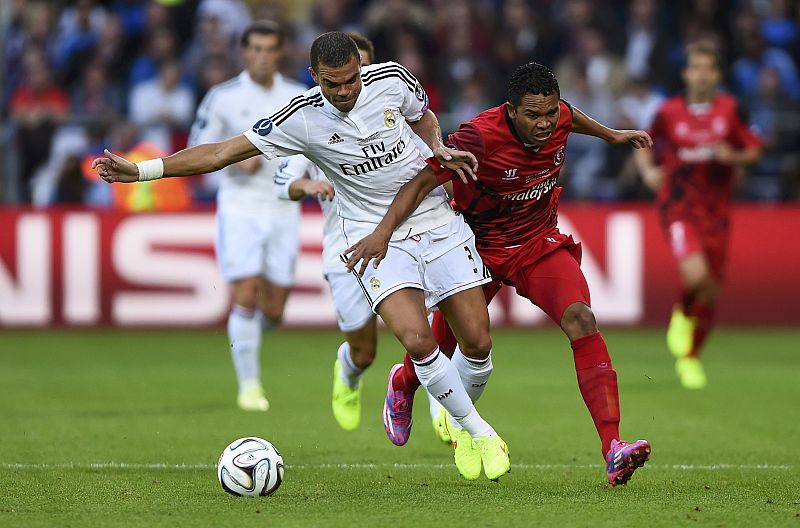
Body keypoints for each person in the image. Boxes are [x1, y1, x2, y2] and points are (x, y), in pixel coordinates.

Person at [92, 31, 510, 481]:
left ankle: (459, 420)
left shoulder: (392, 79)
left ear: (362, 69)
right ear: (314, 76)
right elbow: (220, 152)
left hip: (435, 219)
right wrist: (142, 171)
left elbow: (422, 115)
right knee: (416, 339)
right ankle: (478, 431)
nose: (345, 91)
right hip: (370, 237)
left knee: (477, 342)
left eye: (351, 80)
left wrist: (437, 145)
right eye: (333, 84)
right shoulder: (300, 117)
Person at [345, 61, 652, 486]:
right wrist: (383, 232)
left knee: (582, 318)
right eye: (533, 115)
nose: (545, 123)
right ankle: (403, 383)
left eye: (550, 112)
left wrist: (611, 135)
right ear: (511, 110)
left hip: (536, 243)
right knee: (448, 343)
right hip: (477, 246)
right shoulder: (479, 136)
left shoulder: (558, 115)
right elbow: (421, 182)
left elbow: (570, 116)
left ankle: (613, 447)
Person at [272, 32, 448, 443]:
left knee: (426, 330)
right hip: (346, 249)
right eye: (337, 81)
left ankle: (443, 407)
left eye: (359, 74)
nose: (349, 88)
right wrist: (308, 186)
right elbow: (283, 183)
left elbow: (429, 154)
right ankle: (349, 371)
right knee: (364, 350)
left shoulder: (393, 113)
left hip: (407, 236)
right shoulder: (311, 123)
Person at [186, 21, 307, 411]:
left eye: (270, 49)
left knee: (274, 309)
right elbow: (197, 144)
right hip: (240, 206)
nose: (262, 56)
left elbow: (315, 145)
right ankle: (249, 386)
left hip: (284, 207)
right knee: (246, 293)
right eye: (256, 49)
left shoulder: (298, 96)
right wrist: (236, 162)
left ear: (280, 53)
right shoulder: (222, 97)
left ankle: (249, 337)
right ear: (244, 52)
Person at [634, 44, 763, 389]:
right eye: (696, 68)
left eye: (708, 68)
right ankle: (682, 313)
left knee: (711, 291)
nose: (702, 75)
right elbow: (643, 143)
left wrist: (734, 156)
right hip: (678, 207)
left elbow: (755, 150)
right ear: (686, 73)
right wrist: (648, 172)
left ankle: (691, 357)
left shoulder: (730, 110)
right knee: (696, 276)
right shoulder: (669, 111)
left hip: (716, 212)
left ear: (716, 75)